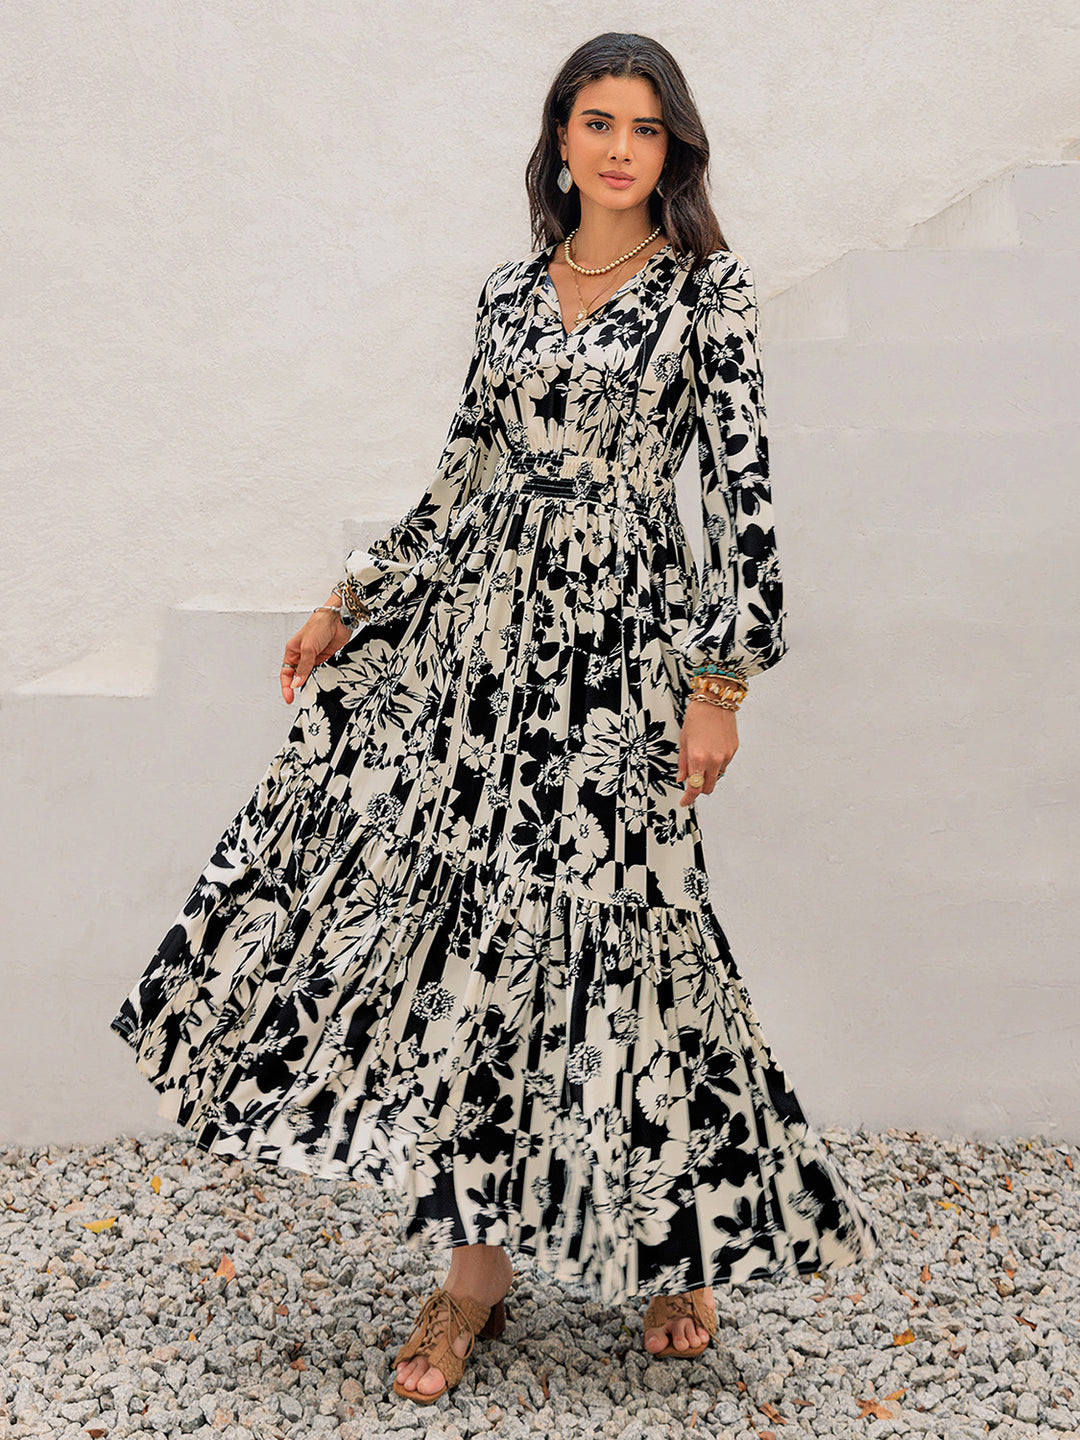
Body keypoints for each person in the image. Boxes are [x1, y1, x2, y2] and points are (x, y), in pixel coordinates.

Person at [110, 30, 881, 1407]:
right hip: (486, 656)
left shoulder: (708, 294)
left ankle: (673, 1239)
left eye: (646, 128)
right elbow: (462, 476)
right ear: (561, 138)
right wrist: (351, 597)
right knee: (482, 945)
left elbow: (745, 503)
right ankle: (473, 1276)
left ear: (673, 149)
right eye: (599, 122)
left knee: (635, 933)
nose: (621, 149)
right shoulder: (510, 294)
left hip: (624, 656)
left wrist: (721, 685)